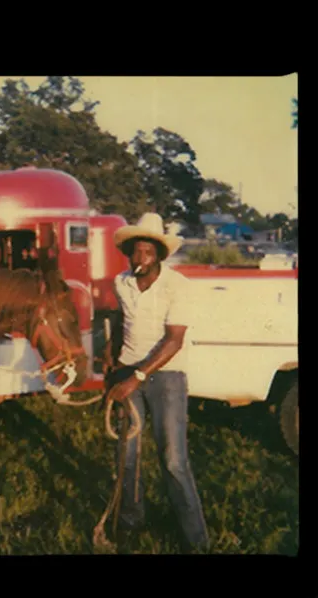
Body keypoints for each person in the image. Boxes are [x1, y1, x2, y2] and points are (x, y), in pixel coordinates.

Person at [103, 212, 210, 553]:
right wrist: (111, 355)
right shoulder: (121, 283)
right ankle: (131, 523)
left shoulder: (178, 286)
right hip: (127, 372)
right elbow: (123, 319)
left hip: (166, 377)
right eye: (135, 251)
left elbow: (174, 340)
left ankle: (196, 540)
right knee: (128, 455)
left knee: (173, 458)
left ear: (160, 255)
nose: (140, 258)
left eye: (148, 252)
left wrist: (135, 378)